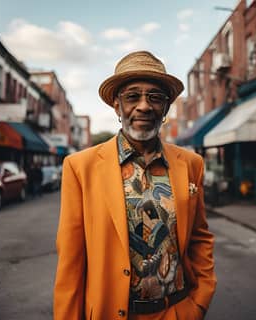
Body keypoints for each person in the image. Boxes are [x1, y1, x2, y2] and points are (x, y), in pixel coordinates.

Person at [54, 51, 217, 320]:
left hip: (177, 312)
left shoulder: (191, 163)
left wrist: (199, 303)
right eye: (132, 96)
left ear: (165, 108)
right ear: (117, 107)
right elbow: (71, 260)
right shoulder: (80, 167)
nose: (144, 106)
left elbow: (200, 238)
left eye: (155, 97)